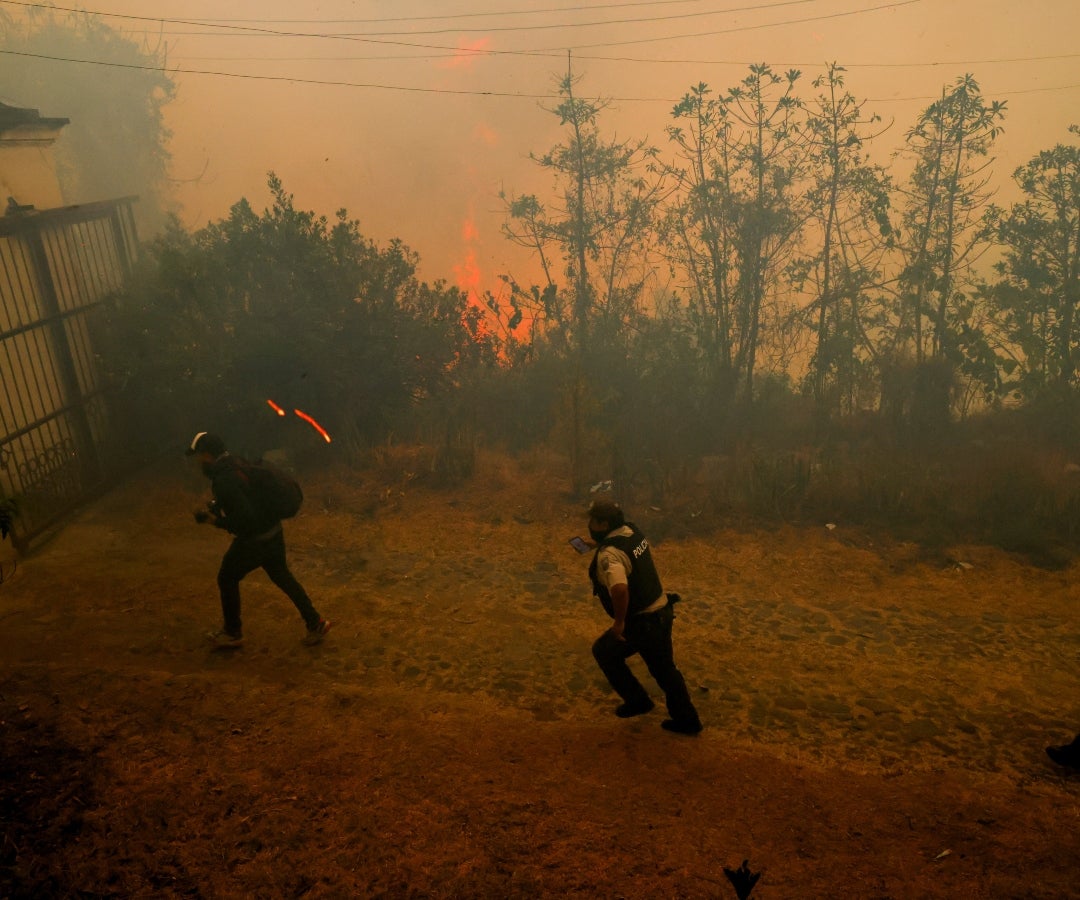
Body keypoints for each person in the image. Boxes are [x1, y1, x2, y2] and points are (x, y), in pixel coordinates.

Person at [187, 431, 331, 649]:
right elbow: (248, 497)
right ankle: (316, 623)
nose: (197, 461)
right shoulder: (236, 462)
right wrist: (219, 506)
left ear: (206, 455)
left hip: (255, 541)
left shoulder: (223, 478)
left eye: (198, 456)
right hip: (273, 532)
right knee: (282, 576)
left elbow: (245, 519)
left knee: (226, 578)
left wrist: (215, 521)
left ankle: (232, 632)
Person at [586, 499, 702, 735]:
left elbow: (619, 589)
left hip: (642, 623)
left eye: (593, 521)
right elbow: (625, 551)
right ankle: (687, 720)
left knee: (604, 651)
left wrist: (619, 623)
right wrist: (598, 545)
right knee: (665, 670)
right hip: (661, 610)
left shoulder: (610, 555)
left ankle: (639, 701)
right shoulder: (631, 531)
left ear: (604, 524)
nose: (589, 524)